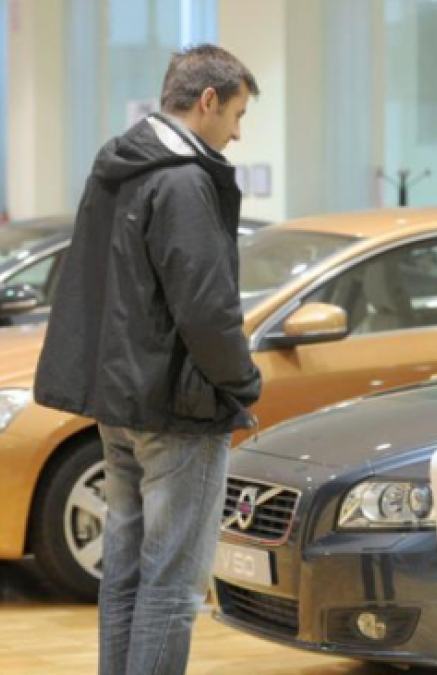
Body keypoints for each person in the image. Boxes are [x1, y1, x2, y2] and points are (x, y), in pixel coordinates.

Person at [34, 44, 262, 675]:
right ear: (208, 100)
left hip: (119, 403)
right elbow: (207, 306)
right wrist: (243, 382)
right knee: (172, 588)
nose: (238, 134)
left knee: (126, 576)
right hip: (178, 408)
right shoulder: (185, 181)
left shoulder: (118, 167)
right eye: (237, 116)